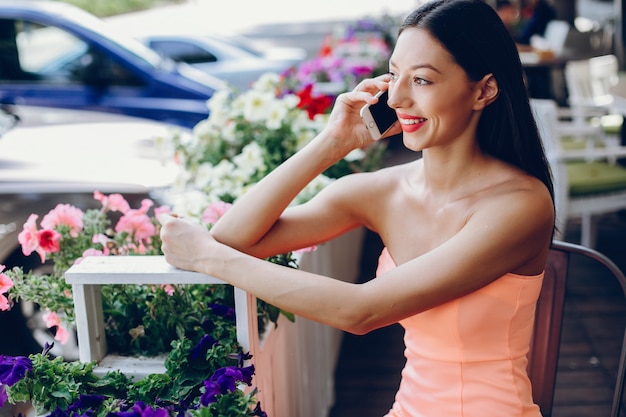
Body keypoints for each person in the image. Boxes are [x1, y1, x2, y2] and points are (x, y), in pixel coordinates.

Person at [160, 0, 556, 415]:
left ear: (483, 90)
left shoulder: (520, 205)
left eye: (421, 81)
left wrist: (206, 256)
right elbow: (234, 238)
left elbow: (361, 311)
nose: (398, 98)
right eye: (394, 75)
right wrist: (331, 143)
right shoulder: (382, 190)